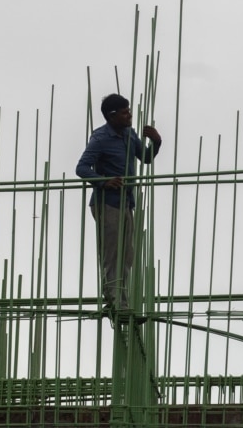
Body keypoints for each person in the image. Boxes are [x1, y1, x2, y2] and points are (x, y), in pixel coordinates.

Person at [76, 93, 162, 321]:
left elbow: (144, 157)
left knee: (127, 255)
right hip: (107, 203)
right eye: (125, 112)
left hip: (126, 202)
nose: (130, 115)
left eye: (129, 110)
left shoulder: (128, 133)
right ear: (112, 116)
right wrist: (104, 181)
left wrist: (156, 142)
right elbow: (82, 168)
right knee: (112, 254)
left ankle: (121, 302)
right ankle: (115, 303)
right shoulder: (100, 138)